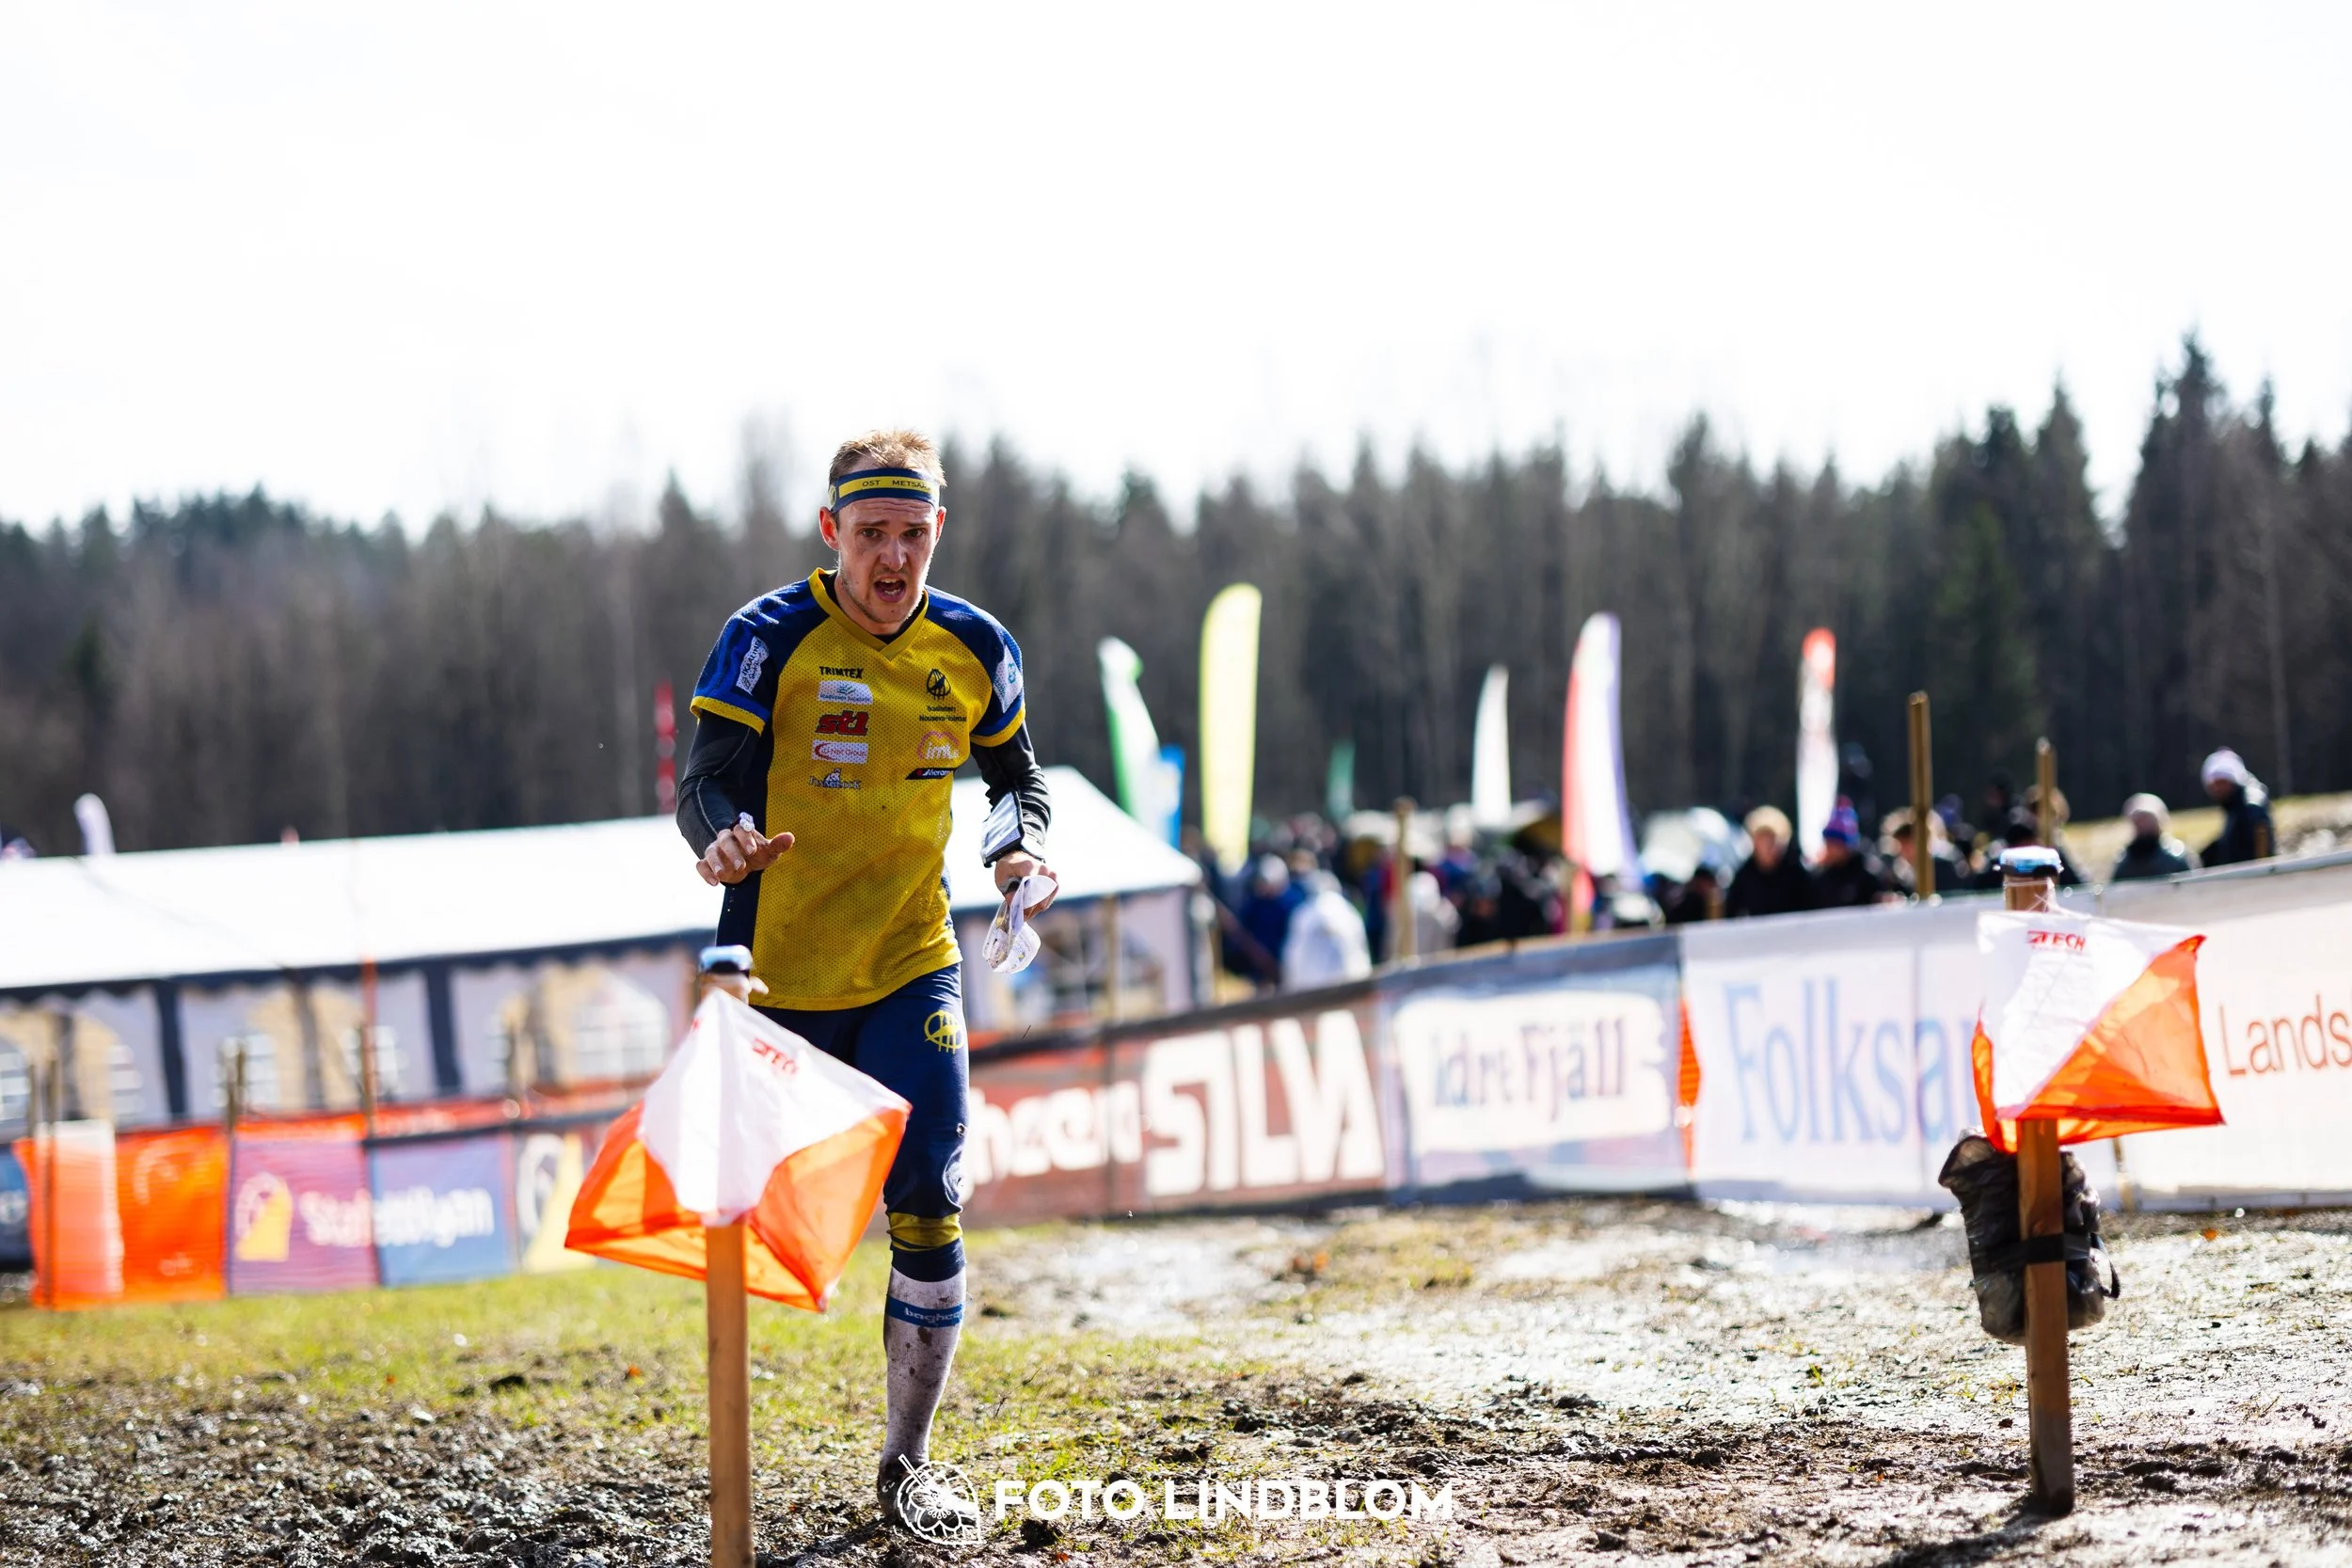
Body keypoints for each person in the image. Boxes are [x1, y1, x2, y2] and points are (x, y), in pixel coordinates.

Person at [674, 429, 1050, 1540]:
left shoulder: (975, 644)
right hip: (774, 976)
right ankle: (728, 1463)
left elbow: (1014, 776)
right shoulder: (766, 637)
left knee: (930, 1190)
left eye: (913, 534)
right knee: (760, 1227)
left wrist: (1014, 850)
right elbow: (702, 783)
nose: (893, 559)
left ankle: (905, 1460)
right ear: (832, 531)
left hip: (908, 961)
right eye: (872, 534)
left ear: (940, 532)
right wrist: (725, 839)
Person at [1280, 870, 1374, 990]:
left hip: (1310, 988)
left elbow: (1293, 952)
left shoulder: (1304, 913)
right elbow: (1360, 950)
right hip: (1346, 984)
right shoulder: (1348, 912)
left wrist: (1290, 982)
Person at [1725, 805, 1812, 917]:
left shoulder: (1796, 873)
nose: (1767, 845)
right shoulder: (1744, 876)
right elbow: (1732, 913)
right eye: (1762, 839)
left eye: (1772, 839)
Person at [2199, 748, 2276, 867]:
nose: (2217, 789)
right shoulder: (2234, 808)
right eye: (2214, 785)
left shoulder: (2252, 807)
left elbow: (2262, 853)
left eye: (2222, 782)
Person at [1809, 798, 1886, 908]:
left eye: (1834, 843)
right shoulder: (1821, 877)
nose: (1829, 848)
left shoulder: (1868, 873)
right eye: (1827, 842)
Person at [2110, 793, 2194, 881]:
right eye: (2138, 821)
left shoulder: (2176, 858)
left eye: (2147, 820)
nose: (2143, 825)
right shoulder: (2124, 864)